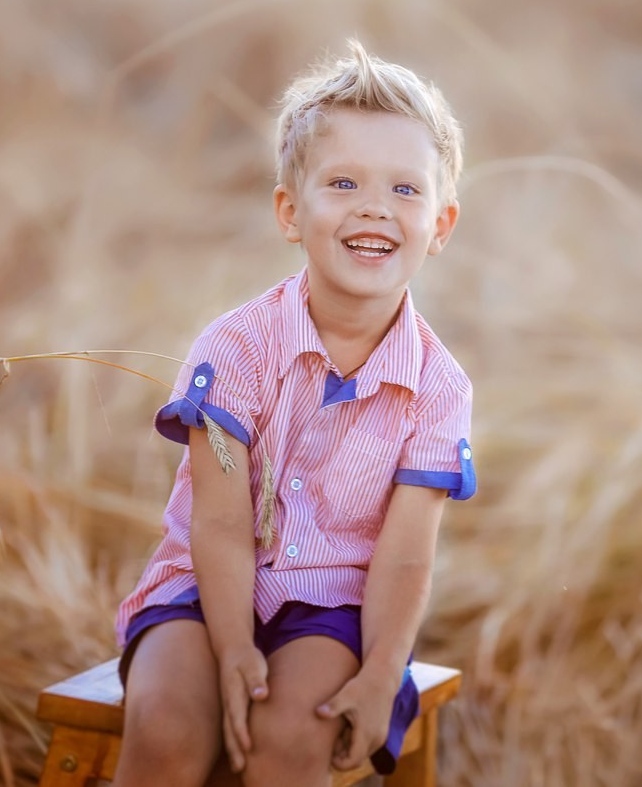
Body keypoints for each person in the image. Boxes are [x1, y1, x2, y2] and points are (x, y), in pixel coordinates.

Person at [111, 41, 476, 787]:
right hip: (201, 586)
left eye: (406, 191)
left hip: (334, 608)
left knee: (293, 739)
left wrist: (381, 671)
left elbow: (406, 556)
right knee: (167, 723)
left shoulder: (439, 388)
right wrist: (232, 645)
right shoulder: (236, 348)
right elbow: (217, 522)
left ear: (440, 225)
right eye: (343, 182)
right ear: (289, 210)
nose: (375, 206)